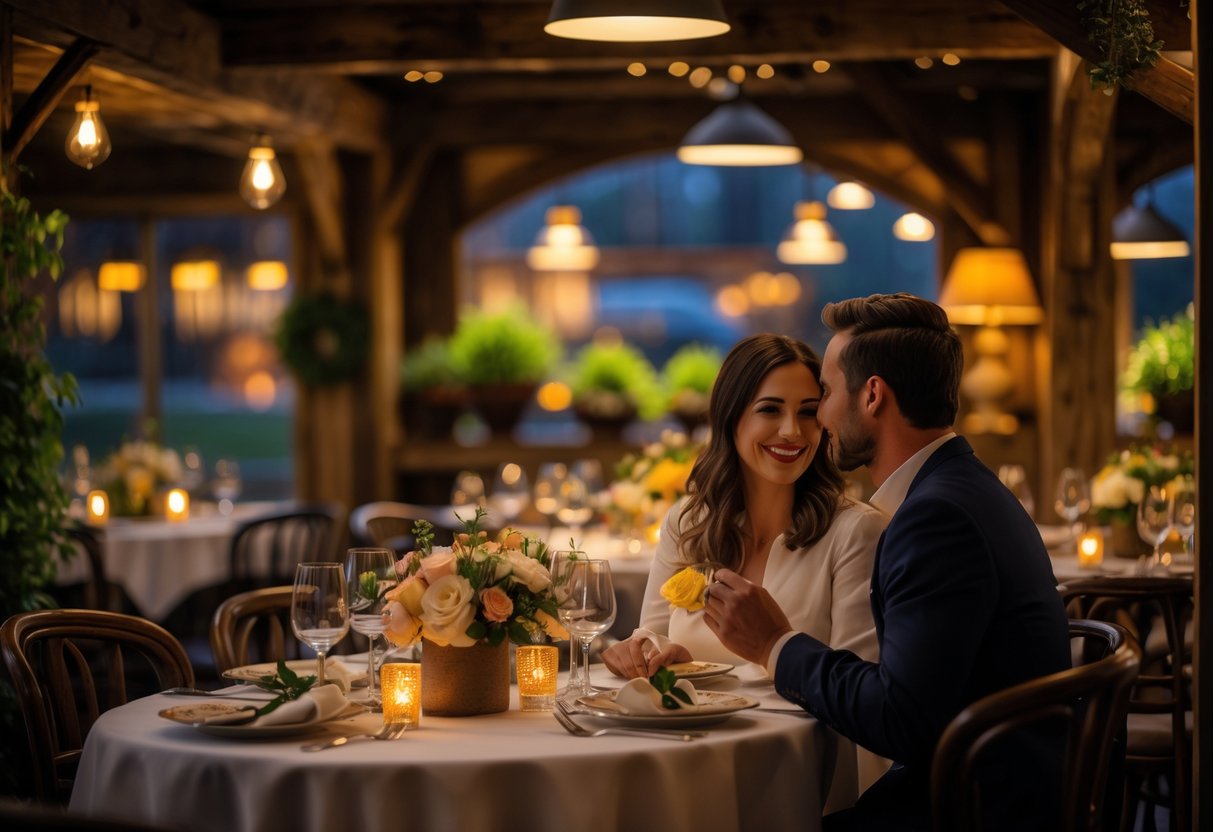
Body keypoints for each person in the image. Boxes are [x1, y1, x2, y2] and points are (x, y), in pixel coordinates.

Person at [703, 294, 1071, 831]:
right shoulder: (962, 488)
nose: (818, 419)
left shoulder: (935, 518)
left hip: (971, 807)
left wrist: (773, 644)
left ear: (872, 395)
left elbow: (900, 719)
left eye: (825, 394)